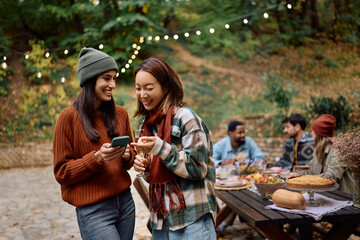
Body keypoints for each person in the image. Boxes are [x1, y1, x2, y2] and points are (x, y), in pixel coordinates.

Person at [53, 47, 136, 240]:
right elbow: (62, 172)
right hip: (94, 211)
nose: (113, 84)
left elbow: (131, 156)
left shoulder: (121, 114)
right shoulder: (68, 118)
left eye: (114, 78)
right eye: (106, 78)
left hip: (125, 203)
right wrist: (96, 158)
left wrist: (126, 155)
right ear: (90, 80)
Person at [131, 57, 217, 239]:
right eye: (138, 88)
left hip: (192, 218)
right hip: (161, 219)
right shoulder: (145, 126)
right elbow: (157, 176)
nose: (142, 94)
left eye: (149, 88)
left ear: (166, 87)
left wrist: (160, 149)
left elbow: (197, 168)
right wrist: (145, 168)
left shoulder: (186, 118)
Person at [309, 114, 354, 193]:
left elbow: (331, 176)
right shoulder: (318, 150)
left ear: (318, 134)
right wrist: (295, 175)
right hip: (325, 194)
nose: (310, 134)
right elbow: (311, 171)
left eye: (312, 131)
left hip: (341, 196)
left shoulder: (338, 150)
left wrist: (305, 180)